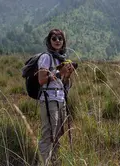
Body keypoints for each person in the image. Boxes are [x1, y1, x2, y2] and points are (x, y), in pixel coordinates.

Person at [37, 29, 74, 165]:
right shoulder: (46, 57)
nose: (57, 40)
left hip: (60, 99)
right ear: (49, 41)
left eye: (60, 38)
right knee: (48, 134)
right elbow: (41, 80)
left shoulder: (62, 58)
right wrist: (60, 72)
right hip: (49, 99)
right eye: (54, 38)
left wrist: (68, 75)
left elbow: (63, 84)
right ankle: (43, 162)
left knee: (58, 133)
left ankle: (55, 160)